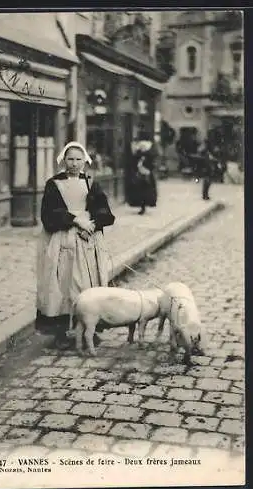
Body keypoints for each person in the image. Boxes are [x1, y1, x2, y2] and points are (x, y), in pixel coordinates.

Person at [35, 141, 115, 350]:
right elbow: (48, 214)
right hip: (62, 241)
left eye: (78, 159)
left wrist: (91, 222)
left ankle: (90, 328)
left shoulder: (91, 183)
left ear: (85, 161)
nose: (74, 163)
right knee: (61, 285)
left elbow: (105, 211)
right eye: (70, 159)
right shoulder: (54, 184)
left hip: (88, 242)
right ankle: (60, 332)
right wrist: (73, 219)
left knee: (88, 284)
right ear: (63, 159)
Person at [133, 140, 158, 215]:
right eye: (141, 147)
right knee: (141, 192)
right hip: (141, 175)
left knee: (146, 192)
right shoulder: (139, 154)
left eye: (143, 147)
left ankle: (145, 205)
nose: (142, 148)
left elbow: (151, 164)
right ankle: (142, 206)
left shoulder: (148, 155)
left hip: (146, 175)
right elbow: (135, 161)